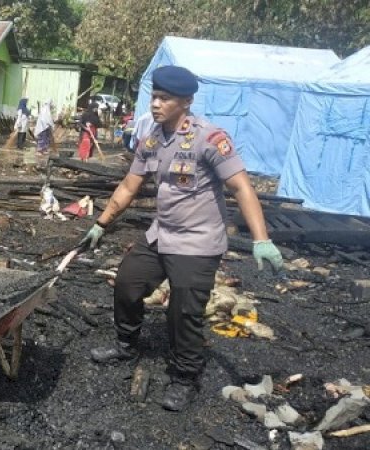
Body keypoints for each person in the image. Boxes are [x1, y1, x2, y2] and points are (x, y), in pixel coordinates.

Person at [79, 65, 283, 412]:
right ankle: (126, 344)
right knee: (127, 282)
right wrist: (101, 223)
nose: (156, 104)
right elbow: (130, 185)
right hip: (162, 234)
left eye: (164, 98)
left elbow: (241, 186)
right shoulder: (152, 138)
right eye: (154, 97)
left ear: (186, 101)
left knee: (184, 311)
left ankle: (184, 377)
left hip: (198, 242)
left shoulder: (209, 138)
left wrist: (261, 238)